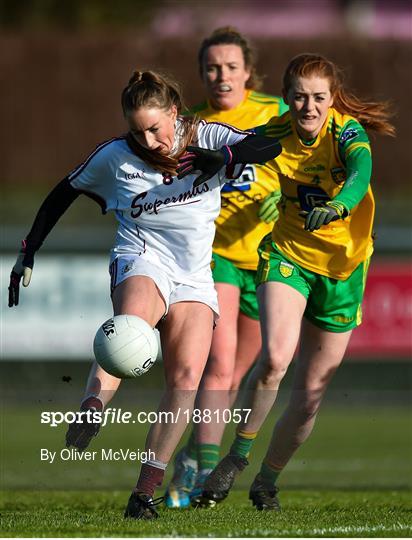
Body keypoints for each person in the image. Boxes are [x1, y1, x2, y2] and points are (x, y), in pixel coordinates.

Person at [8, 69, 281, 520]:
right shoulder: (115, 156)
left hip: (194, 274)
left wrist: (224, 156)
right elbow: (63, 192)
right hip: (141, 255)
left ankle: (143, 493)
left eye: (155, 128)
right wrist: (29, 249)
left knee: (187, 378)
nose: (147, 140)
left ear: (174, 113)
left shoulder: (207, 133)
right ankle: (94, 404)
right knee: (131, 329)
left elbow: (269, 145)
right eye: (137, 130)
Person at [191, 52, 395, 511]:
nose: (309, 107)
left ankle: (266, 481)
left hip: (343, 271)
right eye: (299, 97)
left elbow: (360, 176)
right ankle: (235, 459)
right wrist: (212, 162)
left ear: (331, 99)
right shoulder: (279, 133)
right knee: (275, 359)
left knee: (309, 397)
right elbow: (242, 151)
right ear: (286, 99)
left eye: (319, 98)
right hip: (288, 256)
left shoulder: (347, 134)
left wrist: (340, 206)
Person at [164, 27, 288, 509]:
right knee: (217, 369)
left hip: (270, 259)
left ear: (248, 72)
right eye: (212, 67)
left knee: (237, 376)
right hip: (214, 257)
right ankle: (199, 480)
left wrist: (287, 199)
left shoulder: (276, 112)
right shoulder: (191, 126)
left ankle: (193, 457)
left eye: (231, 66)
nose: (222, 75)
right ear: (202, 73)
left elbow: (302, 160)